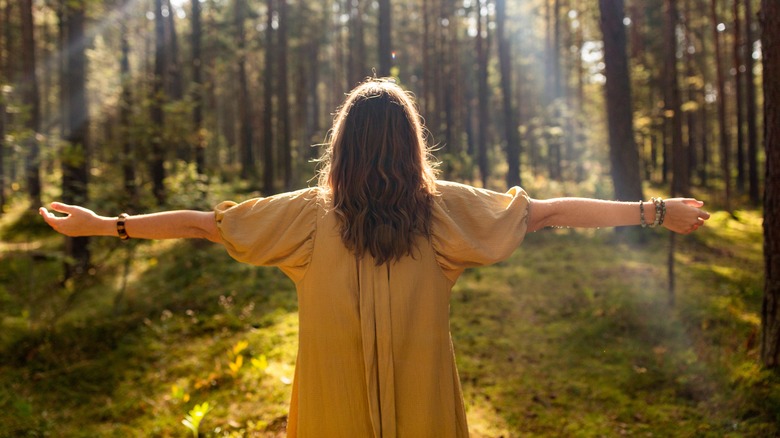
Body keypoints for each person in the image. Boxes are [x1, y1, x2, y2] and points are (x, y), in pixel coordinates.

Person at [40, 78, 709, 437]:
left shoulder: (305, 215)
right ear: (410, 145)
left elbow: (203, 226)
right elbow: (553, 210)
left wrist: (109, 226)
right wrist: (653, 211)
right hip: (425, 410)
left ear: (343, 145)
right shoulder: (445, 210)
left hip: (332, 412)